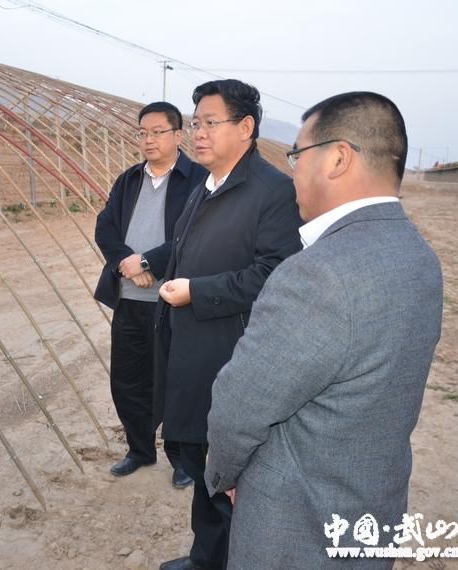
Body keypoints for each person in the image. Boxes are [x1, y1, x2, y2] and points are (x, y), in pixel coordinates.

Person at [205, 92, 443, 569]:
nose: (293, 170)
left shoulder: (317, 273)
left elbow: (242, 405)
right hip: (371, 509)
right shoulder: (418, 256)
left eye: (297, 155)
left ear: (337, 158)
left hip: (298, 526)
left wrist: (224, 473)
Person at [154, 80, 302, 570]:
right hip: (192, 348)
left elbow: (275, 274)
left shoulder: (272, 191)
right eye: (194, 123)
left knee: (231, 474)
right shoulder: (207, 184)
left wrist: (197, 290)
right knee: (203, 465)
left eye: (209, 123)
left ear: (245, 127)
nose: (197, 133)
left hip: (231, 355)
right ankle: (206, 559)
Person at [95, 101, 207, 487]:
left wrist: (148, 262)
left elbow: (195, 233)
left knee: (177, 381)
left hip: (173, 301)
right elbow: (105, 226)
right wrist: (126, 262)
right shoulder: (129, 179)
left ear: (178, 135)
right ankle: (140, 450)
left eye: (158, 132)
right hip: (129, 299)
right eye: (142, 132)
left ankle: (183, 459)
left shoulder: (198, 179)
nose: (148, 140)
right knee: (128, 381)